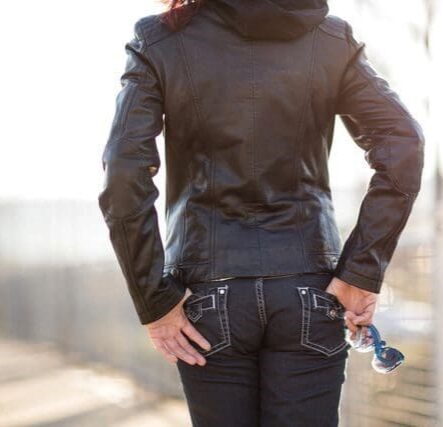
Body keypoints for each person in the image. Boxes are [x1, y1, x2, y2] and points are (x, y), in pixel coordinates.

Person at [97, 0, 425, 425]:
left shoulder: (160, 39)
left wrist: (155, 298)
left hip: (208, 297)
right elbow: (404, 145)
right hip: (309, 290)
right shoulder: (329, 38)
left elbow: (124, 172)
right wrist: (361, 271)